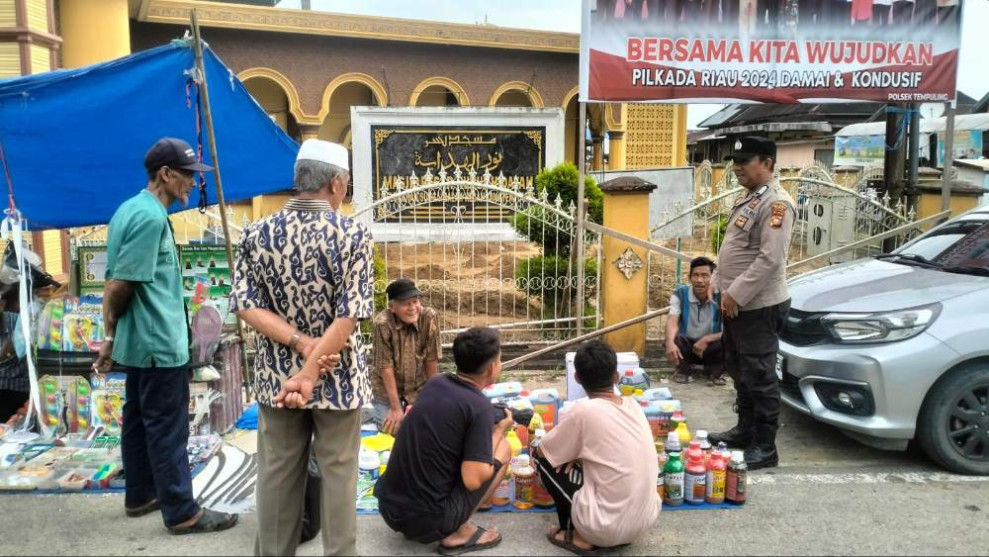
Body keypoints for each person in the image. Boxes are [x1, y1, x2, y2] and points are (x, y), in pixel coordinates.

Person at [231, 138, 374, 556]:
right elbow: (349, 315)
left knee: (277, 474)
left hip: (277, 376)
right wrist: (312, 368)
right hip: (338, 374)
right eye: (345, 183)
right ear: (335, 183)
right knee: (339, 476)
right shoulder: (353, 235)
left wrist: (298, 343)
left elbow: (245, 304)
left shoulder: (257, 233)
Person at [93, 137, 237, 534]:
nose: (193, 183)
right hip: (158, 344)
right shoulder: (150, 217)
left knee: (138, 420)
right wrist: (109, 334)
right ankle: (182, 510)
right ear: (166, 174)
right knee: (167, 428)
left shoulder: (129, 210)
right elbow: (119, 284)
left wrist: (111, 339)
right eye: (188, 175)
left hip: (139, 343)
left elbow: (116, 279)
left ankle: (141, 495)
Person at [373, 327, 511, 556]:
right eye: (500, 360)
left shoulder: (435, 382)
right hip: (429, 522)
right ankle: (459, 533)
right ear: (491, 368)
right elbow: (472, 479)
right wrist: (499, 431)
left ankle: (468, 508)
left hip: (389, 508)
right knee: (503, 449)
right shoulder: (480, 407)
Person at [710, 136, 795, 471]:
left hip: (758, 306)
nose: (737, 167)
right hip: (737, 305)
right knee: (740, 370)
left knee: (760, 375)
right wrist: (719, 283)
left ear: (767, 164)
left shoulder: (777, 204)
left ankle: (764, 445)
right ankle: (745, 430)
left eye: (744, 162)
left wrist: (735, 294)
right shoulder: (751, 198)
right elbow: (734, 249)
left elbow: (769, 260)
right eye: (735, 161)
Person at [533, 340, 660, 555]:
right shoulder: (633, 404)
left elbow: (542, 450)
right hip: (644, 521)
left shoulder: (583, 411)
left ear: (577, 378)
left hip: (605, 529)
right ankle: (602, 528)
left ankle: (577, 535)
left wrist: (569, 454)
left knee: (541, 460)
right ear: (616, 377)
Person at [368, 278, 441, 435]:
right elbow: (385, 366)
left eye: (415, 301)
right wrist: (395, 408)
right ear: (392, 307)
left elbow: (431, 359)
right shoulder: (382, 323)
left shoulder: (428, 317)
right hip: (386, 393)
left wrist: (431, 398)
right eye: (405, 304)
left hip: (419, 389)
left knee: (433, 423)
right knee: (394, 428)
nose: (412, 308)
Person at [666, 257, 725, 386]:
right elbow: (672, 320)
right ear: (689, 278)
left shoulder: (722, 296)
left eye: (705, 276)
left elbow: (731, 329)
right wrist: (670, 342)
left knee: (727, 340)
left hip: (711, 349)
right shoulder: (680, 294)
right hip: (687, 348)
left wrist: (707, 339)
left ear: (713, 278)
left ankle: (715, 373)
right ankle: (683, 371)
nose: (699, 280)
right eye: (695, 275)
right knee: (673, 339)